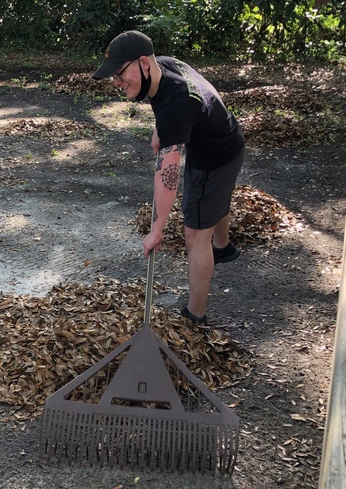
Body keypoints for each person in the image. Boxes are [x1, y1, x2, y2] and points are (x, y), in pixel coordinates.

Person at [93, 30, 245, 325]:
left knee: (195, 234)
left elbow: (168, 174)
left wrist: (157, 229)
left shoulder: (175, 107)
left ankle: (195, 315)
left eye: (120, 73)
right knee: (214, 202)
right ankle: (224, 248)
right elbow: (172, 100)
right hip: (227, 138)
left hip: (214, 158)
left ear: (143, 64)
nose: (115, 82)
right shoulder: (163, 66)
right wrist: (160, 130)